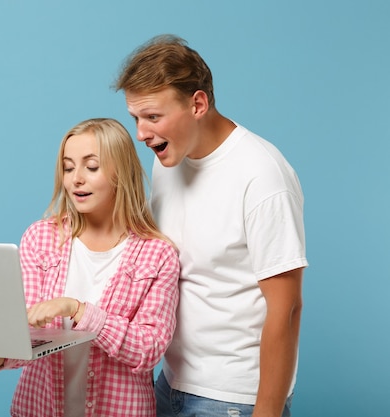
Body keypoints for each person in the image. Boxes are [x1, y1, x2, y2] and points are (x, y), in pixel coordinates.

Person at [115, 34, 308, 417]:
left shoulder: (262, 176)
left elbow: (286, 309)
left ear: (198, 104)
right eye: (135, 118)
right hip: (169, 385)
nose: (141, 133)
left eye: (153, 116)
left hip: (231, 400)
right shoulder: (168, 158)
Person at [0, 117, 181, 417]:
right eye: (68, 167)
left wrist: (76, 309)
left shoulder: (157, 255)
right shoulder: (40, 239)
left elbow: (149, 349)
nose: (75, 179)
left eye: (91, 167)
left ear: (121, 172)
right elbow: (23, 338)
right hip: (38, 407)